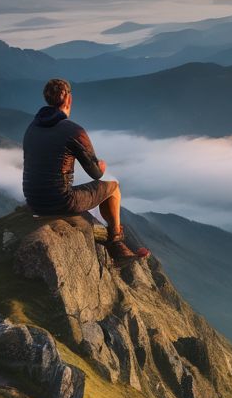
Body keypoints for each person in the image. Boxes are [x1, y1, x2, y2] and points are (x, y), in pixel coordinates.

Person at [22, 78, 148, 261]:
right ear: (68, 99)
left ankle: (111, 238)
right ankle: (116, 241)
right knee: (113, 187)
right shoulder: (73, 131)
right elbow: (96, 173)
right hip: (62, 201)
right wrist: (102, 165)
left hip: (33, 199)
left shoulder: (32, 127)